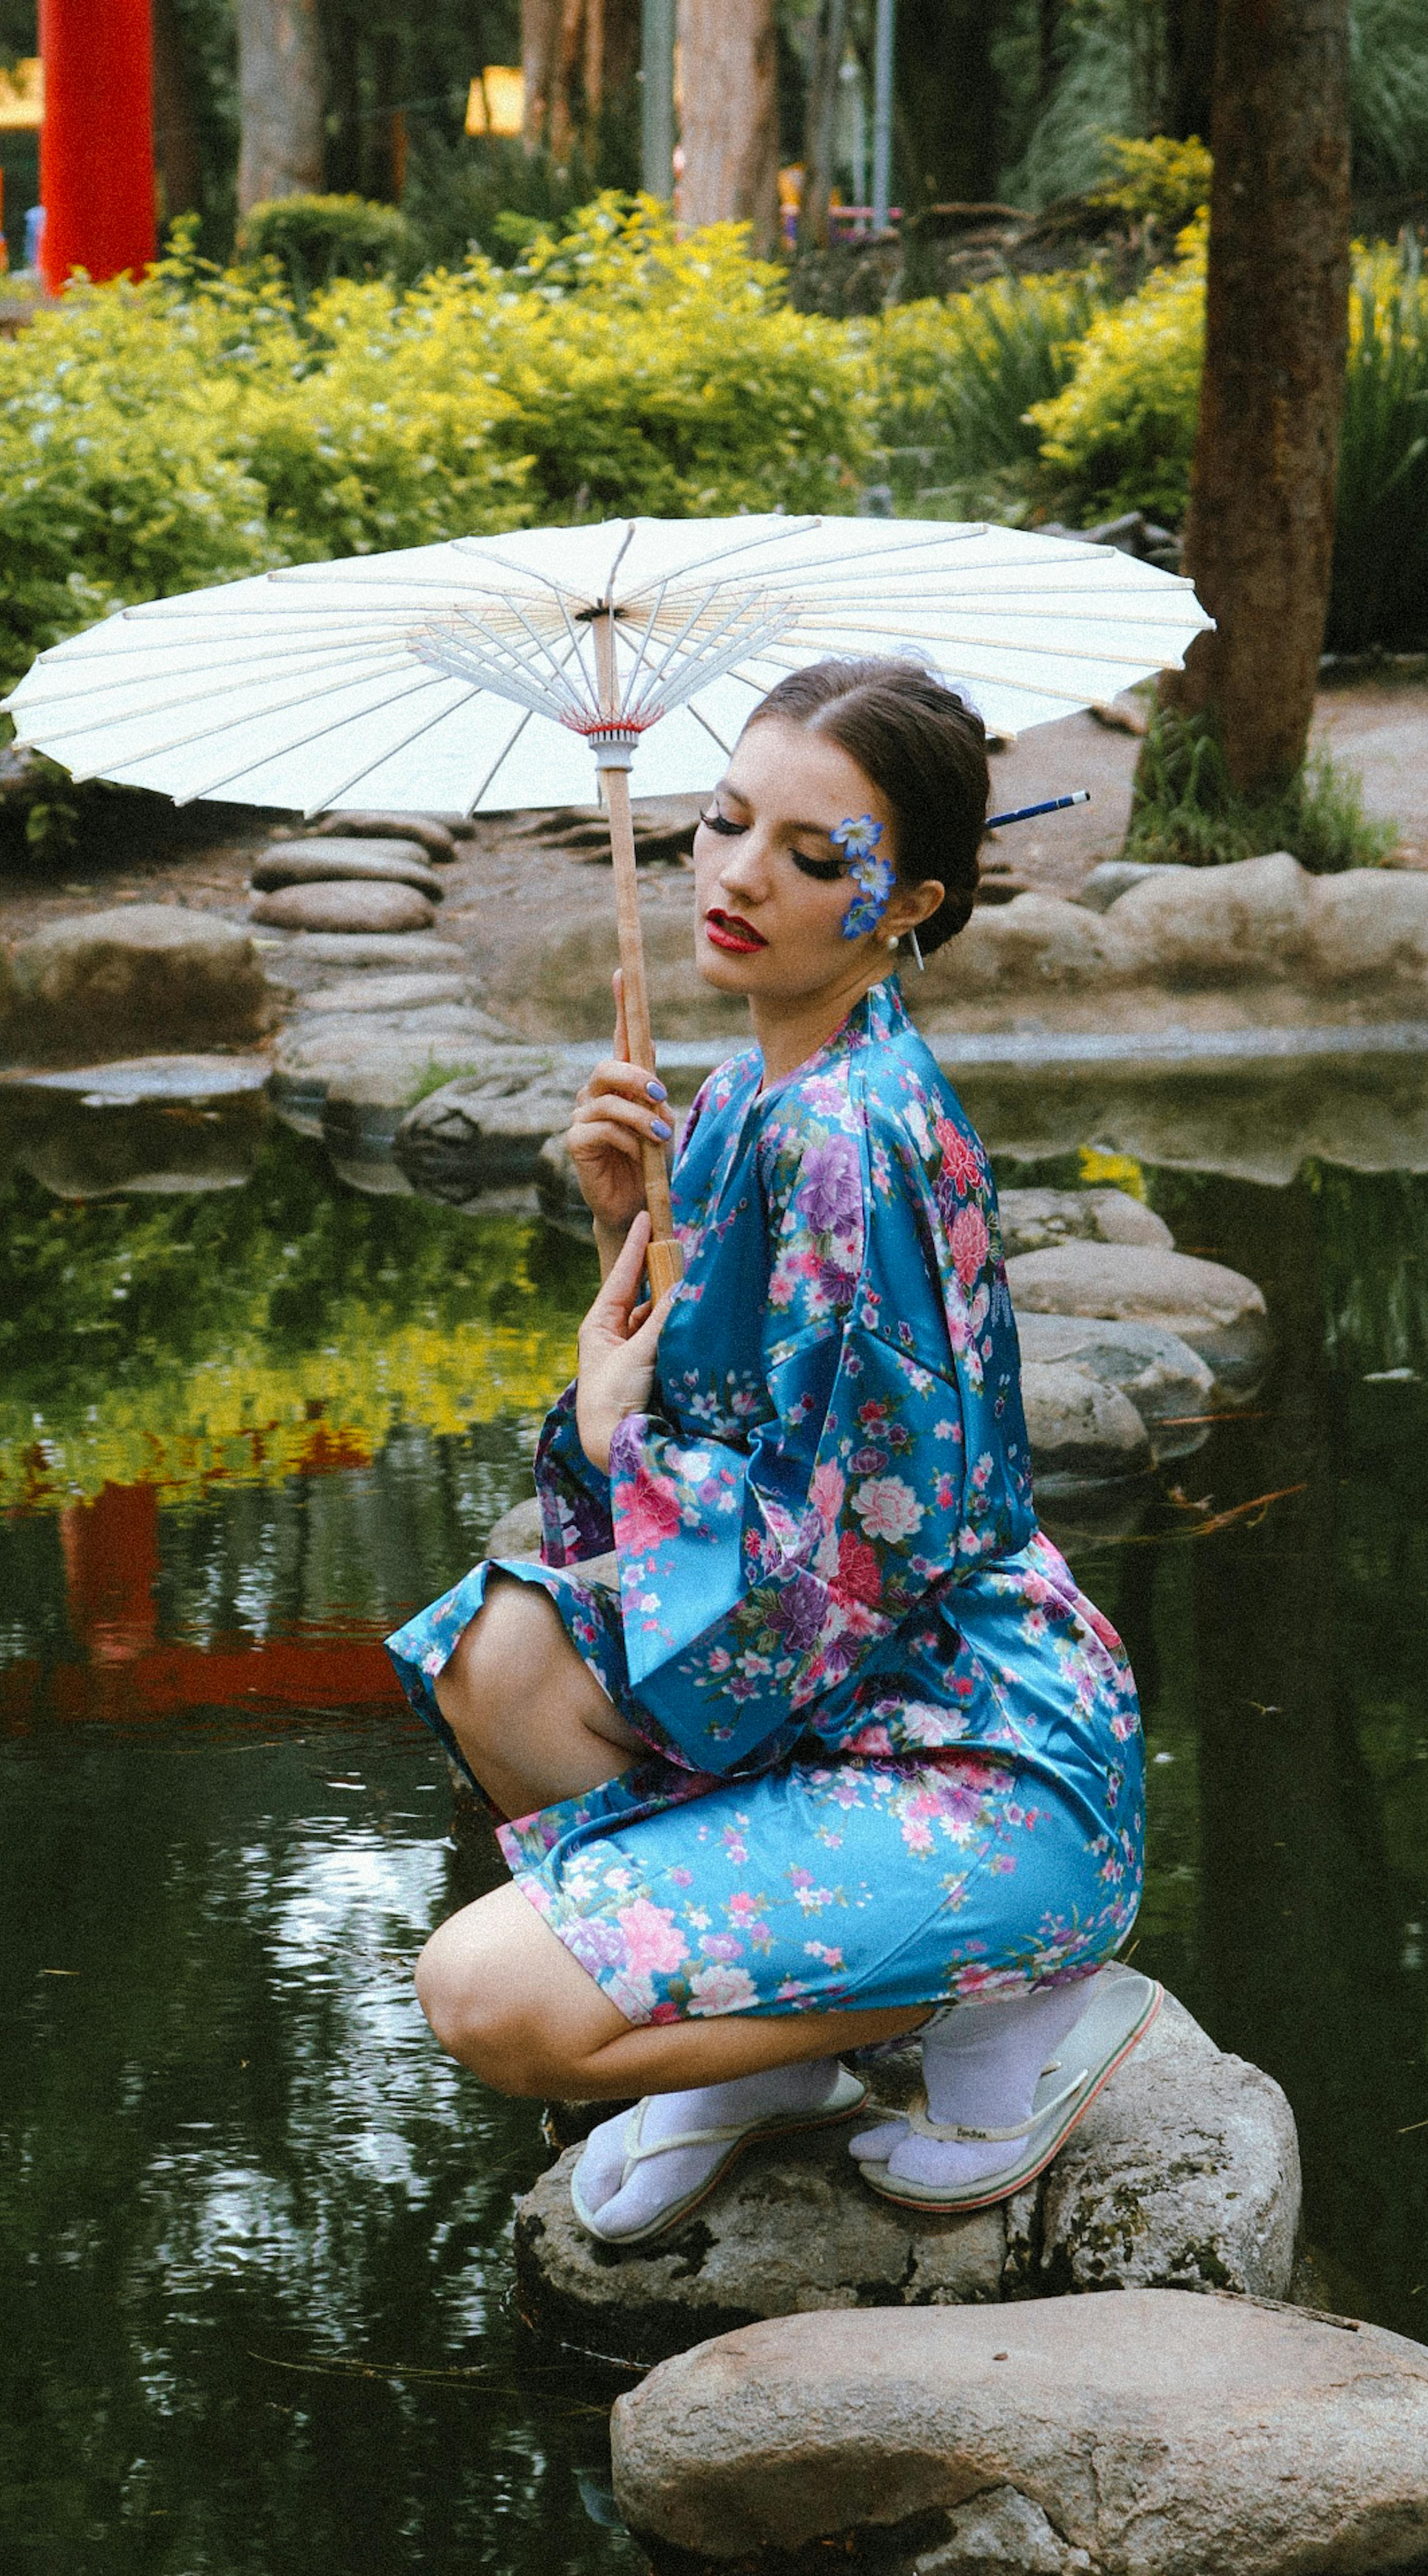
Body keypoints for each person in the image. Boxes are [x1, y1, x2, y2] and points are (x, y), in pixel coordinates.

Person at [387, 657, 1154, 2246]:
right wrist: (632, 1227)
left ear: (908, 905)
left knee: (486, 2000)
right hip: (846, 1705)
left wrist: (617, 1433)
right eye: (725, 823)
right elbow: (740, 1459)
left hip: (982, 1762)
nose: (739, 877)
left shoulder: (855, 1137)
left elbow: (847, 1556)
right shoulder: (750, 1091)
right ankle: (762, 2065)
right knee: (500, 1659)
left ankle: (1020, 2007)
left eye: (814, 856)